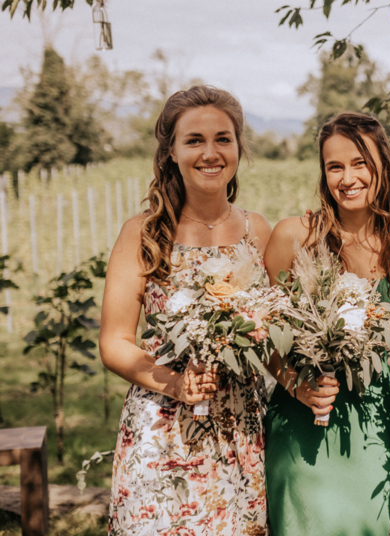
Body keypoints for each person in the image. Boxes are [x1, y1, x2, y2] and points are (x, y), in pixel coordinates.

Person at [100, 85, 270, 535]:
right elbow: (114, 343)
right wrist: (177, 383)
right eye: (194, 140)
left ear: (237, 148)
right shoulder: (143, 233)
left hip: (240, 430)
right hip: (161, 427)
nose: (210, 152)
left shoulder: (259, 231)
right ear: (171, 151)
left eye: (222, 138)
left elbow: (274, 335)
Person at [263, 112, 390, 536]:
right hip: (304, 427)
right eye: (335, 166)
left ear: (382, 164)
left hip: (373, 430)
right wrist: (297, 385)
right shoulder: (295, 236)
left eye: (359, 162)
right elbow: (263, 336)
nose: (347, 178)